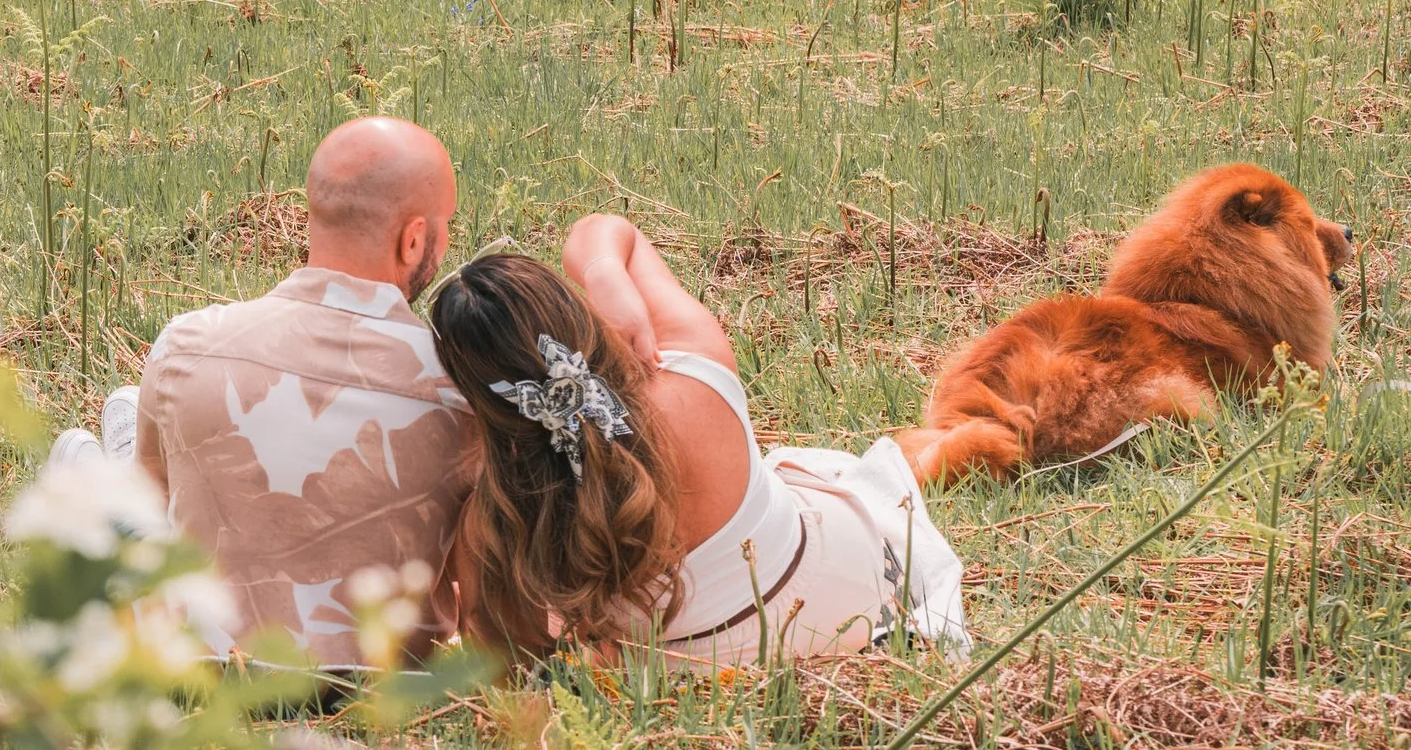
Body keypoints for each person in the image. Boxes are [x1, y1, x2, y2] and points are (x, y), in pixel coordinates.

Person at [426, 218, 969, 666]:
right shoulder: (690, 368)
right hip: (837, 600)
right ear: (576, 316)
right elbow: (607, 230)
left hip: (691, 674)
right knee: (808, 481)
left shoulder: (499, 515)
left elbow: (504, 663)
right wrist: (605, 273)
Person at [52, 115, 473, 670]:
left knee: (93, 462)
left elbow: (155, 505)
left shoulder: (188, 344)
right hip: (380, 679)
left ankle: (101, 446)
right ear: (414, 238)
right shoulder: (461, 390)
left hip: (206, 666)